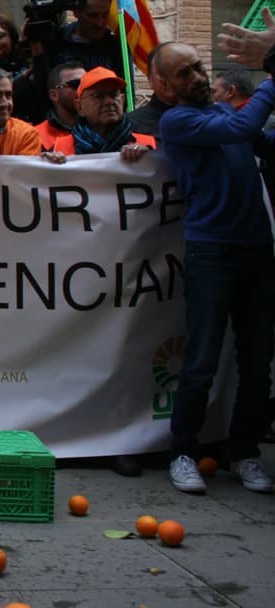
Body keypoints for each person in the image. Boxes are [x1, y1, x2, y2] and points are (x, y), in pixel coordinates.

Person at [156, 41, 274, 494]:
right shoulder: (178, 121)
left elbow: (260, 136)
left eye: (199, 67)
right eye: (185, 73)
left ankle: (244, 451)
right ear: (166, 87)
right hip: (212, 253)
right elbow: (248, 123)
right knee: (201, 359)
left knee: (257, 362)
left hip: (257, 251)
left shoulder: (225, 117)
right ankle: (182, 450)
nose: (198, 77)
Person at [52, 67, 155, 160]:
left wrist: (148, 157)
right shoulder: (59, 149)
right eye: (99, 96)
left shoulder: (146, 145)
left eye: (114, 94)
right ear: (80, 107)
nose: (109, 102)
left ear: (122, 100)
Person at [34, 61, 85, 151]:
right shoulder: (36, 136)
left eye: (87, 84)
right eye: (76, 84)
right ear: (54, 95)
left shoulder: (104, 126)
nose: (83, 89)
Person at [127, 44, 174, 138]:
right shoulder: (130, 124)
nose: (168, 79)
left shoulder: (206, 116)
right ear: (150, 78)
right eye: (164, 71)